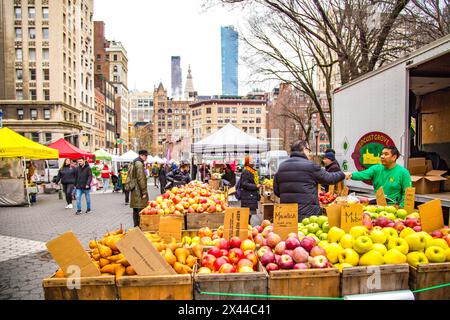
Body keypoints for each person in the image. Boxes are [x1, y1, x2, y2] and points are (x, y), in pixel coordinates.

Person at [274, 140, 345, 221]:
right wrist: (343, 174)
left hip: (287, 215)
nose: (309, 153)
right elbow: (329, 178)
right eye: (309, 150)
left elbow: (277, 191)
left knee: (290, 234)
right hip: (308, 216)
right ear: (304, 149)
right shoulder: (310, 165)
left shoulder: (282, 166)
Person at [345, 146, 412, 207]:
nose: (382, 156)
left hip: (394, 207)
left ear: (394, 157)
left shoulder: (403, 172)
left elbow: (407, 194)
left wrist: (401, 207)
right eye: (382, 154)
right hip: (377, 205)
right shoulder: (376, 169)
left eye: (386, 154)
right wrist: (351, 175)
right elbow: (363, 174)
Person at [129, 150, 149, 227]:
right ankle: (140, 227)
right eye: (146, 156)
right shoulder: (139, 164)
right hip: (138, 190)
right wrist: (144, 192)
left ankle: (136, 226)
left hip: (135, 189)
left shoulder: (134, 162)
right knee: (141, 209)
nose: (146, 157)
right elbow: (141, 178)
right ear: (141, 155)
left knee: (135, 209)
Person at [239, 156, 261, 225]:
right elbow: (244, 184)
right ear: (248, 162)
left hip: (250, 196)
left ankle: (247, 227)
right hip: (248, 196)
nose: (253, 162)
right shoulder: (246, 171)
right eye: (252, 161)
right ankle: (246, 227)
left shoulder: (252, 171)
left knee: (249, 214)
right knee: (247, 214)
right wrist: (255, 186)